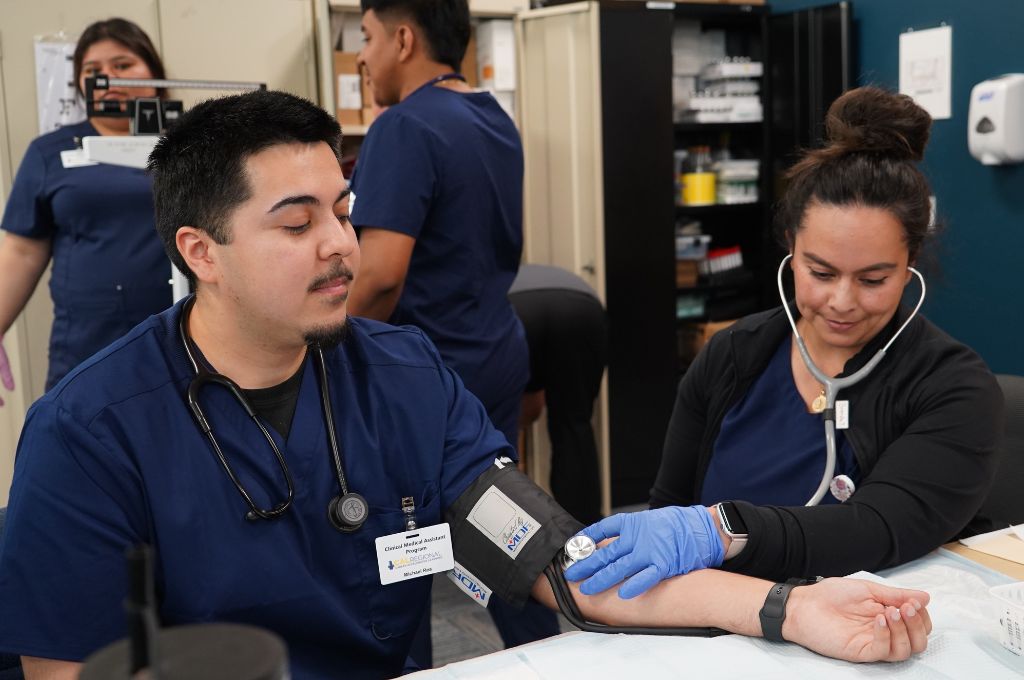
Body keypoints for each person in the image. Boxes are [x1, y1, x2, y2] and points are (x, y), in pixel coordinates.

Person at [0, 89, 934, 680]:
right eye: (296, 224)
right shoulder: (88, 433)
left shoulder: (402, 376)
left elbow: (560, 566)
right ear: (200, 251)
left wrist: (792, 609)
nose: (339, 244)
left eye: (344, 209)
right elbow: (66, 669)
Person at [564, 87, 1004, 600]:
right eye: (820, 271)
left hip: (862, 634)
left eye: (873, 279)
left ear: (909, 269)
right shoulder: (734, 356)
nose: (842, 301)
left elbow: (878, 529)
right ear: (790, 251)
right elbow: (671, 509)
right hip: (719, 621)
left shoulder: (953, 388)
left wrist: (722, 529)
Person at [345, 0, 546, 658]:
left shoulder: (404, 128)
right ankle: (555, 653)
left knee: (404, 551)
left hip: (426, 374)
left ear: (404, 38)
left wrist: (323, 347)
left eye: (368, 38)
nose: (363, 56)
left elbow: (378, 276)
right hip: (492, 350)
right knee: (498, 533)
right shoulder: (493, 118)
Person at [0, 18, 172, 401]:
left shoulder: (190, 145)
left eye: (122, 65)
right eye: (92, 71)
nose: (107, 78)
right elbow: (21, 250)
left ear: (154, 72)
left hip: (185, 341)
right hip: (86, 346)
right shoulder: (50, 152)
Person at [509, 264, 607, 526]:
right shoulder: (541, 273)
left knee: (498, 435)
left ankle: (510, 533)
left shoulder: (498, 282)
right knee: (574, 428)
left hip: (517, 310)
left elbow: (527, 412)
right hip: (584, 309)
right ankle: (584, 535)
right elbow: (534, 407)